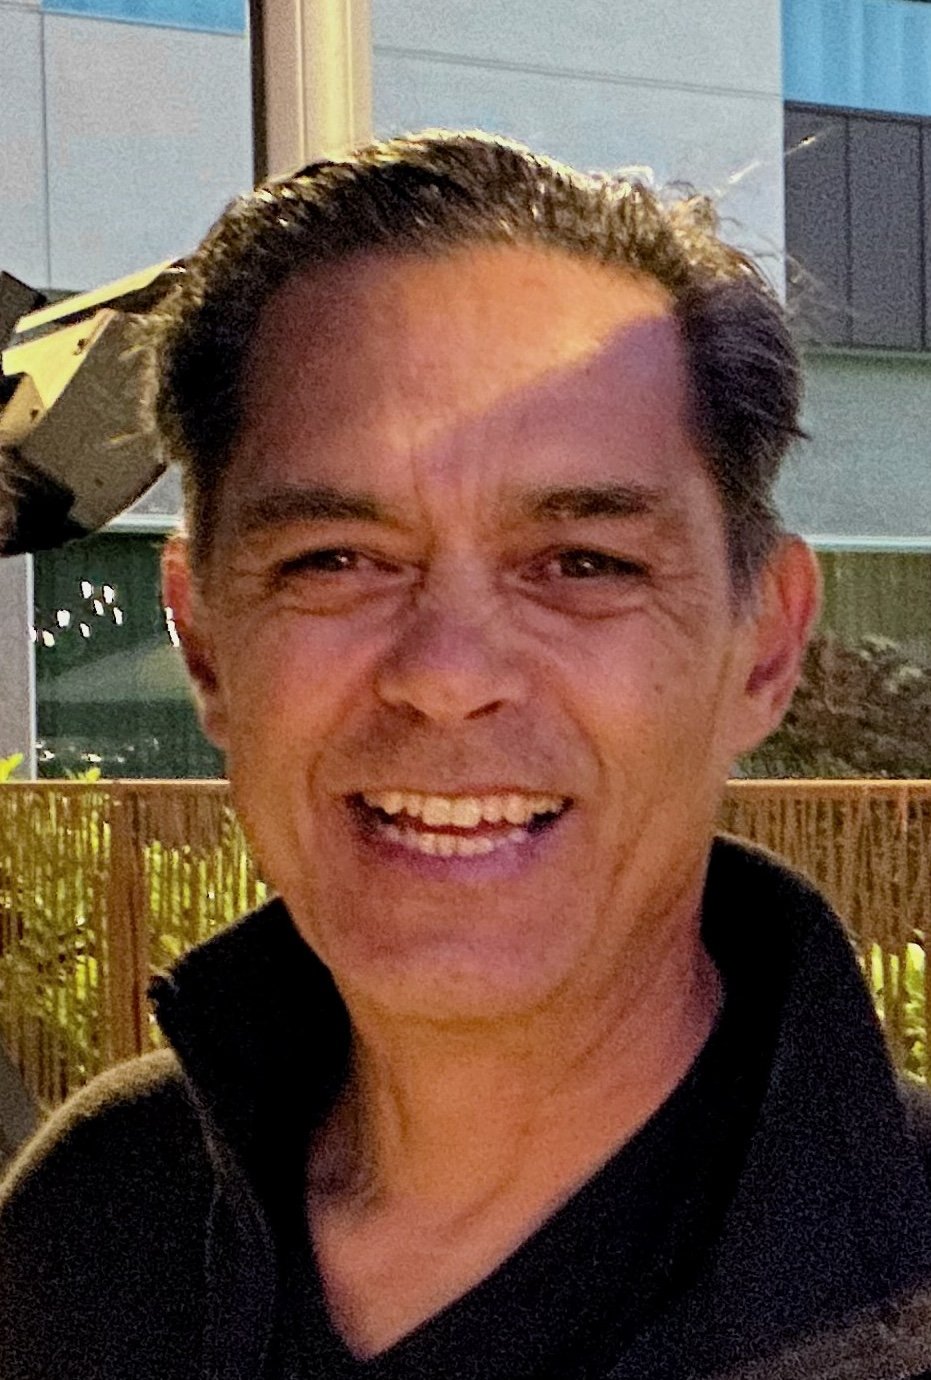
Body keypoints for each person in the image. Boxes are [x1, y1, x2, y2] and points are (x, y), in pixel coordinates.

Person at [2, 130, 931, 1380]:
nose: (446, 675)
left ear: (763, 648)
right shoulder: (95, 1225)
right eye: (335, 559)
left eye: (584, 564)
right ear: (205, 642)